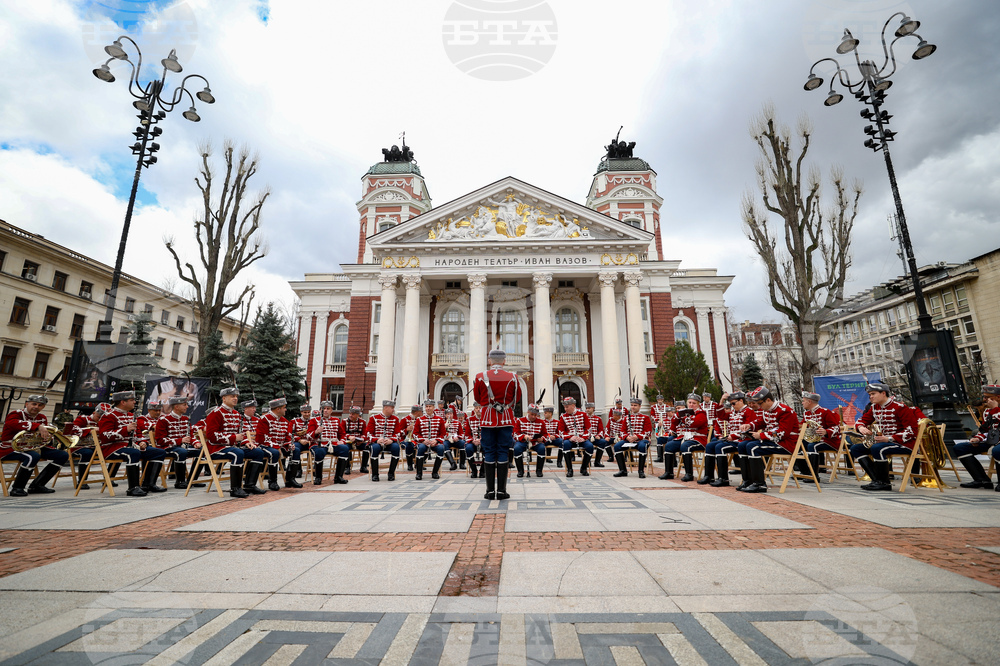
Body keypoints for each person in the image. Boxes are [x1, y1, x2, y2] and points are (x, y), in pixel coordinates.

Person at [849, 382, 919, 491]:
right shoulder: (874, 407)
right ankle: (877, 480)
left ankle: (885, 483)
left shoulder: (900, 407)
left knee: (877, 448)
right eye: (869, 394)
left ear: (883, 393)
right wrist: (861, 428)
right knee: (855, 449)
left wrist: (890, 438)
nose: (870, 397)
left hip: (903, 443)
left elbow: (912, 430)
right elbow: (861, 421)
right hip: (884, 443)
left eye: (873, 393)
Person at [96, 391, 167, 496]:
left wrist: (142, 442)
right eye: (131, 400)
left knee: (159, 452)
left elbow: (137, 434)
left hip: (131, 446)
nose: (134, 402)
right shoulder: (108, 416)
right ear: (123, 402)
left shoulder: (131, 415)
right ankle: (133, 488)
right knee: (133, 453)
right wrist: (125, 429)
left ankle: (148, 484)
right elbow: (105, 436)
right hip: (112, 448)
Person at [472, 348, 522, 500]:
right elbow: (517, 398)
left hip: (487, 418)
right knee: (503, 451)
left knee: (488, 452)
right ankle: (501, 491)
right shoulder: (513, 377)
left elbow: (478, 399)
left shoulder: (480, 377)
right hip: (506, 418)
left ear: (490, 361)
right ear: (504, 361)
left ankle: (489, 491)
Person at [0, 395, 69, 496]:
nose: (36, 406)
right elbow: (13, 424)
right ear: (26, 404)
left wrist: (47, 437)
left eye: (40, 405)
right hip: (11, 447)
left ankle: (37, 485)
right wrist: (37, 426)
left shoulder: (42, 418)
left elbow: (42, 437)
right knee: (33, 456)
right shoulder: (16, 414)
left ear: (43, 407)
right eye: (34, 404)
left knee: (62, 455)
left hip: (32, 447)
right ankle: (17, 488)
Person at [736, 387, 801, 493]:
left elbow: (782, 433)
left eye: (760, 403)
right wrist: (749, 425)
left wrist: (762, 435)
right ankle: (748, 480)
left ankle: (759, 484)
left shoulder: (785, 411)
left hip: (785, 444)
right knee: (742, 445)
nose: (759, 406)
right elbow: (760, 422)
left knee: (752, 447)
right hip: (773, 441)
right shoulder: (766, 410)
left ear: (768, 400)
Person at [204, 387, 254, 498]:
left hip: (232, 447)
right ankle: (235, 488)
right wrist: (233, 438)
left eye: (236, 396)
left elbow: (239, 433)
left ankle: (250, 485)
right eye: (232, 396)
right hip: (216, 448)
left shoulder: (236, 414)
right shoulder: (215, 413)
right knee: (238, 453)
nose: (235, 398)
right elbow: (211, 436)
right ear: (224, 398)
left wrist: (246, 441)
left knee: (257, 452)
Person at [701, 391, 752, 487]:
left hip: (742, 440)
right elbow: (721, 415)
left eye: (733, 403)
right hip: (732, 439)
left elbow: (747, 429)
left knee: (720, 447)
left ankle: (723, 478)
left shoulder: (748, 411)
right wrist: (722, 400)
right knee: (710, 446)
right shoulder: (733, 412)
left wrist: (733, 436)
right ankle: (709, 476)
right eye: (731, 404)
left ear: (741, 401)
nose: (732, 406)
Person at [956, 384, 1000, 490]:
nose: (984, 400)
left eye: (988, 397)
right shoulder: (987, 411)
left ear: (998, 397)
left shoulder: (993, 410)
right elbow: (985, 429)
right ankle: (982, 480)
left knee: (997, 451)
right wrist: (978, 438)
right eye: (984, 397)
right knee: (960, 448)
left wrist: (996, 409)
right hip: (992, 440)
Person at [154, 396, 204, 489]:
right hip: (167, 448)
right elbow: (160, 440)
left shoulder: (185, 419)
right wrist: (179, 441)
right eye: (184, 405)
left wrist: (195, 442)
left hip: (182, 448)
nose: (187, 407)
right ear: (176, 407)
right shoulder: (163, 420)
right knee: (181, 452)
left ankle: (192, 479)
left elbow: (190, 436)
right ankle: (180, 481)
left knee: (203, 451)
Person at [256, 398, 301, 489]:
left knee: (296, 450)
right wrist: (276, 446)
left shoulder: (284, 421)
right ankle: (272, 481)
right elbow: (261, 437)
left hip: (280, 446)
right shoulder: (265, 419)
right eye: (284, 407)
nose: (286, 409)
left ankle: (290, 479)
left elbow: (287, 436)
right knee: (274, 453)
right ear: (278, 409)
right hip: (265, 446)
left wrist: (289, 444)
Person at [660, 395, 707, 481]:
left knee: (685, 446)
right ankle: (669, 472)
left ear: (698, 404)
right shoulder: (684, 413)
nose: (691, 405)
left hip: (697, 439)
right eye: (689, 402)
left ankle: (689, 474)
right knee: (669, 446)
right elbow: (674, 422)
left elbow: (695, 423)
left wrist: (685, 417)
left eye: (694, 403)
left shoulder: (701, 413)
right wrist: (678, 414)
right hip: (684, 438)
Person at [304, 401, 349, 484]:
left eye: (328, 409)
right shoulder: (314, 420)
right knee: (319, 452)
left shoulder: (336, 420)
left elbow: (342, 434)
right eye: (323, 409)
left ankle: (338, 477)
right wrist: (316, 432)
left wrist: (342, 441)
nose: (325, 410)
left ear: (331, 410)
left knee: (345, 449)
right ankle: (318, 477)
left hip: (333, 444)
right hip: (319, 444)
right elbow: (308, 436)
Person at [801, 391, 841, 483]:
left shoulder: (825, 412)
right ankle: (805, 471)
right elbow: (802, 426)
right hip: (814, 440)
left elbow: (836, 427)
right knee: (798, 444)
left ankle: (814, 475)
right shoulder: (806, 414)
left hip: (829, 441)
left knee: (812, 446)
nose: (802, 403)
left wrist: (826, 431)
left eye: (803, 401)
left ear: (809, 401)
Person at [614, 398, 651, 478]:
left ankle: (640, 471)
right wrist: (627, 437)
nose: (633, 407)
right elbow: (622, 431)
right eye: (632, 405)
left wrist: (637, 436)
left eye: (635, 405)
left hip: (641, 440)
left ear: (640, 406)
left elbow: (648, 431)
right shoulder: (626, 418)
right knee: (617, 446)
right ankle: (623, 470)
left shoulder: (645, 417)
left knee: (642, 446)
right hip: (628, 440)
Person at [365, 400, 401, 481]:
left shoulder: (395, 419)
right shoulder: (374, 418)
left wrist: (391, 440)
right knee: (375, 448)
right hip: (377, 442)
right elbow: (368, 433)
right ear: (385, 408)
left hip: (389, 442)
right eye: (392, 408)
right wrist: (376, 440)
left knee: (396, 448)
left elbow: (398, 433)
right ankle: (375, 474)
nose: (393, 410)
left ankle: (391, 473)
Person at [558, 397, 592, 477]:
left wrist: (583, 437)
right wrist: (570, 437)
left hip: (581, 439)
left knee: (590, 446)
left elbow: (588, 429)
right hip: (570, 439)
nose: (565, 409)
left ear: (573, 405)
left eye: (567, 407)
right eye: (564, 407)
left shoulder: (583, 415)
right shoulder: (563, 417)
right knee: (565, 445)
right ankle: (570, 469)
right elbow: (561, 431)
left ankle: (583, 468)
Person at [415, 400, 447, 480]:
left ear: (433, 408)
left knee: (441, 448)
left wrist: (436, 441)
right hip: (423, 442)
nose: (428, 408)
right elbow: (415, 434)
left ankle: (435, 472)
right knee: (421, 448)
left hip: (435, 442)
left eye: (430, 406)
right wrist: (423, 440)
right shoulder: (419, 419)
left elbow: (443, 434)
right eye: (427, 407)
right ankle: (419, 473)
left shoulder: (439, 419)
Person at [513, 404, 546, 478]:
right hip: (523, 442)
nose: (533, 417)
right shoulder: (520, 421)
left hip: (536, 442)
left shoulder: (541, 422)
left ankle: (539, 470)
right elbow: (515, 434)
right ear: (528, 412)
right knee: (517, 448)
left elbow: (545, 434)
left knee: (542, 448)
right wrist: (524, 436)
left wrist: (542, 439)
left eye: (535, 415)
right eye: (532, 414)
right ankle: (520, 471)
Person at [395, 404, 422, 475]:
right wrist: (406, 429)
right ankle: (410, 464)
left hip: (417, 440)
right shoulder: (405, 419)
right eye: (421, 412)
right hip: (405, 440)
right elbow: (399, 432)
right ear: (416, 412)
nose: (422, 413)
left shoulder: (420, 419)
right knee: (409, 445)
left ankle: (419, 464)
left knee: (424, 445)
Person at [342, 406, 367, 475]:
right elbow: (341, 433)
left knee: (367, 447)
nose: (350, 415)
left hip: (359, 442)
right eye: (350, 413)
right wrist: (349, 436)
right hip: (348, 442)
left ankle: (363, 466)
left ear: (358, 415)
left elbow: (365, 434)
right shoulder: (344, 421)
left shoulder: (362, 422)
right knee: (345, 448)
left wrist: (362, 439)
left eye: (353, 414)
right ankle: (347, 467)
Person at [585, 402, 609, 467]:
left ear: (593, 408)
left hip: (595, 437)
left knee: (603, 442)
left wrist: (599, 435)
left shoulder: (598, 418)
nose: (587, 410)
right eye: (586, 408)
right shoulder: (583, 418)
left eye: (589, 408)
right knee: (587, 444)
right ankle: (587, 461)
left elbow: (601, 430)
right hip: (586, 437)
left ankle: (597, 461)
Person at [651, 394, 670, 462]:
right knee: (658, 439)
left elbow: (669, 415)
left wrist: (664, 421)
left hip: (666, 425)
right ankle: (660, 456)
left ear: (663, 400)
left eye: (661, 399)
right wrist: (657, 420)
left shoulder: (667, 406)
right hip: (657, 425)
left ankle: (667, 454)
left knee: (666, 439)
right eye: (658, 400)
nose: (660, 401)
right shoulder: (653, 407)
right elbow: (652, 415)